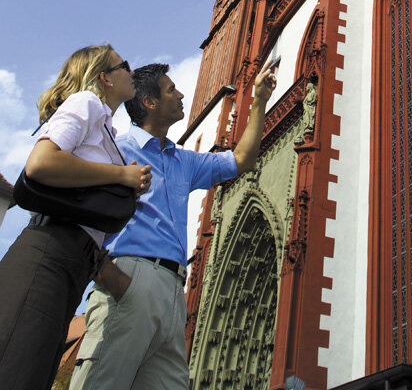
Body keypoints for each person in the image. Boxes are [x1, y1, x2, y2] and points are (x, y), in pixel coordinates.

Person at [71, 54, 278, 390]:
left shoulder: (182, 159)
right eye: (172, 90)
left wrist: (259, 100)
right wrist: (112, 277)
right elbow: (76, 212)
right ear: (150, 102)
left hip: (173, 290)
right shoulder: (117, 150)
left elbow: (242, 159)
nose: (181, 95)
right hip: (131, 276)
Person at [0, 45, 151, 390]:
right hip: (48, 253)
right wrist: (119, 178)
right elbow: (41, 164)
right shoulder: (87, 102)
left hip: (70, 261)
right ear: (105, 78)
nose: (132, 71)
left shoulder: (106, 127)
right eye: (123, 65)